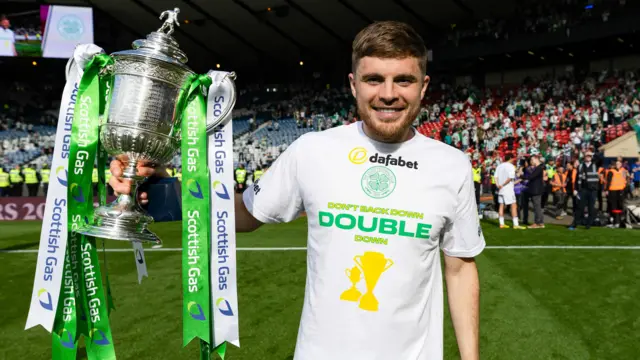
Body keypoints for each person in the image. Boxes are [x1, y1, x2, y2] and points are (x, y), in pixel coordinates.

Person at [109, 21, 483, 360]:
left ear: (424, 87)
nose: (388, 93)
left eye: (403, 80)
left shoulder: (450, 166)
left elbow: (460, 268)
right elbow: (241, 215)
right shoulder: (312, 150)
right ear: (353, 84)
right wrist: (162, 181)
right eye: (373, 80)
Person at [569, 151, 599, 230]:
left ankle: (588, 225)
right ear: (584, 157)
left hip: (593, 190)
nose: (588, 157)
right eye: (587, 156)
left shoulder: (595, 165)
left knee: (591, 208)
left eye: (589, 156)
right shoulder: (580, 166)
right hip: (583, 189)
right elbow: (576, 179)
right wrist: (575, 189)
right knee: (579, 208)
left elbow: (599, 157)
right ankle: (574, 224)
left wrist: (592, 152)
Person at [495, 153, 525, 229]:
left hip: (500, 189)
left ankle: (501, 223)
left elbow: (495, 176)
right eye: (513, 158)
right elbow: (509, 178)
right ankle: (516, 224)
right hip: (507, 189)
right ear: (511, 158)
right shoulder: (511, 166)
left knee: (501, 205)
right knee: (513, 205)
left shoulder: (499, 166)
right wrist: (503, 184)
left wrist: (498, 185)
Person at [524, 150, 545, 228]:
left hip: (536, 190)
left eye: (532, 160)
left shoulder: (539, 168)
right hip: (536, 189)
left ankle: (537, 222)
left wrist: (522, 176)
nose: (531, 162)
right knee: (538, 206)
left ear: (536, 159)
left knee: (537, 207)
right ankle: (541, 223)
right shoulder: (539, 168)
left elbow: (531, 177)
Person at [605, 159, 627, 228]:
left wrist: (625, 189)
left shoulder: (623, 171)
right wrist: (607, 190)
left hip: (620, 190)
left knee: (620, 205)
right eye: (616, 164)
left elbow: (625, 180)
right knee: (613, 205)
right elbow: (608, 181)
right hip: (613, 190)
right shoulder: (611, 171)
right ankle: (614, 220)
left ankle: (619, 220)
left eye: (619, 164)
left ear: (621, 165)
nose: (618, 165)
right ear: (615, 165)